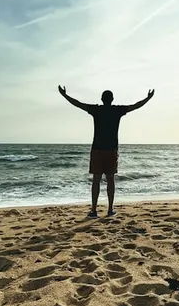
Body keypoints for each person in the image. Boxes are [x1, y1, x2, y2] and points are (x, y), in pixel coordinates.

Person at [58, 86, 155, 218]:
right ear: (112, 99)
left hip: (97, 149)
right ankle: (110, 209)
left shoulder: (96, 109)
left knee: (96, 180)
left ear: (102, 99)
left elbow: (78, 104)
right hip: (111, 149)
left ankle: (93, 210)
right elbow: (135, 106)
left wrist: (65, 95)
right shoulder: (117, 110)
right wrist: (148, 98)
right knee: (110, 179)